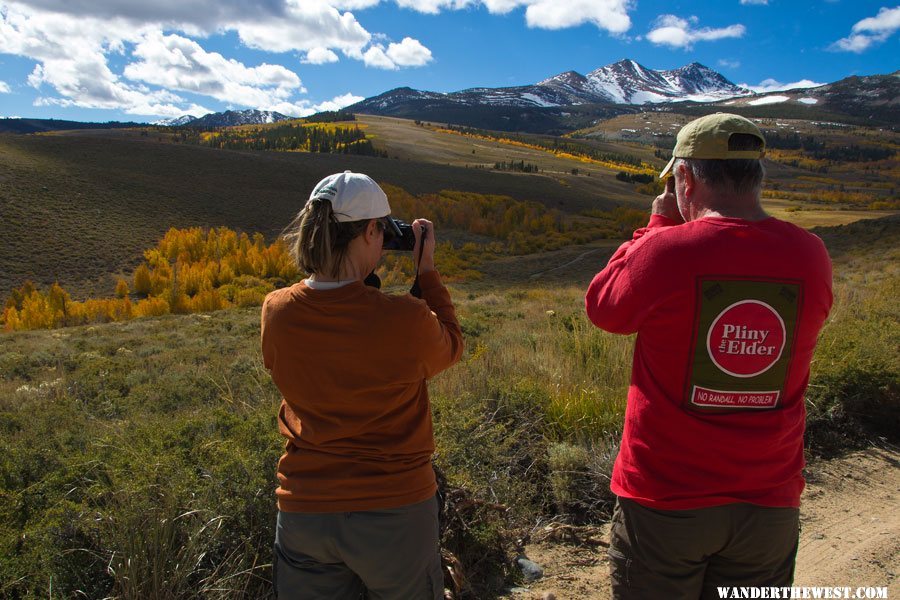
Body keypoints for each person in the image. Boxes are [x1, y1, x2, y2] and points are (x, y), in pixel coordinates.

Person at [584, 114, 833, 599]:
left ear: (685, 178)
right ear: (757, 176)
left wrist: (655, 226)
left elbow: (604, 310)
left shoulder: (667, 250)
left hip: (665, 498)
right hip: (770, 497)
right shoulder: (811, 254)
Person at [261, 171, 464, 599]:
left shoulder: (276, 311)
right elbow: (451, 345)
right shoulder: (404, 318)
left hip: (304, 508)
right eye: (383, 230)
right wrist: (426, 272)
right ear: (371, 230)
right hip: (395, 509)